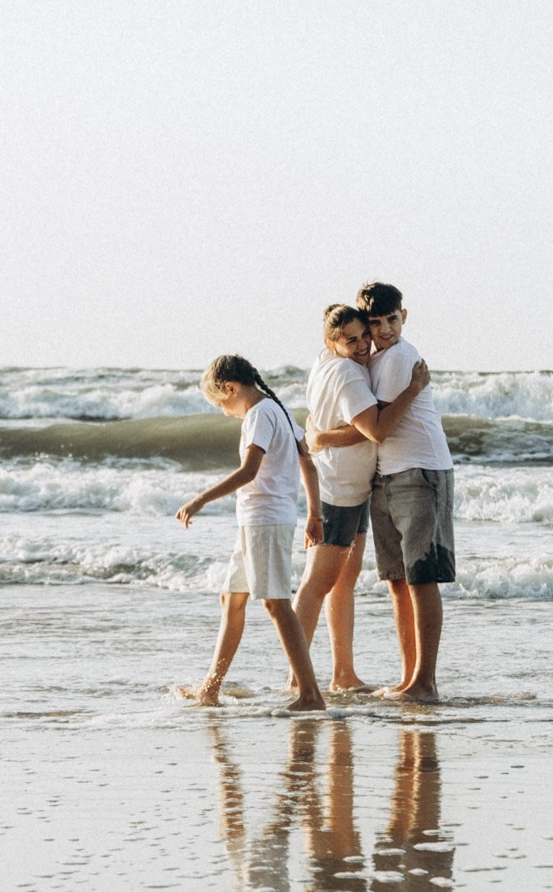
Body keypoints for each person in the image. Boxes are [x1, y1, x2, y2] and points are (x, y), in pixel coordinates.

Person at [172, 354, 326, 711]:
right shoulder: (279, 411)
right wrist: (314, 514)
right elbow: (307, 462)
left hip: (266, 519)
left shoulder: (259, 414)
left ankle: (310, 694)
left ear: (231, 388)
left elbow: (248, 471)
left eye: (221, 403)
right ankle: (210, 688)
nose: (225, 412)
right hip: (255, 520)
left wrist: (200, 500)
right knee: (232, 599)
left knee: (276, 604)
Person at [295, 304, 430, 692]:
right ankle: (297, 677)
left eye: (363, 336)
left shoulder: (324, 362)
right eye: (350, 339)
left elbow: (329, 421)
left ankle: (343, 674)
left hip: (346, 485)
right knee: (319, 583)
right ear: (331, 342)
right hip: (341, 489)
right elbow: (374, 430)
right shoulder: (349, 374)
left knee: (342, 582)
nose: (361, 345)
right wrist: (413, 389)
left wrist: (319, 435)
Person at [355, 282, 454, 700]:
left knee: (420, 578)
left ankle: (424, 682)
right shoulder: (378, 360)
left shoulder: (400, 358)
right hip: (389, 474)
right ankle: (408, 677)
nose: (384, 330)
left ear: (404, 316)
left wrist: (321, 439)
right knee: (397, 579)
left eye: (391, 320)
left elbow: (379, 424)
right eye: (375, 323)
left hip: (420, 470)